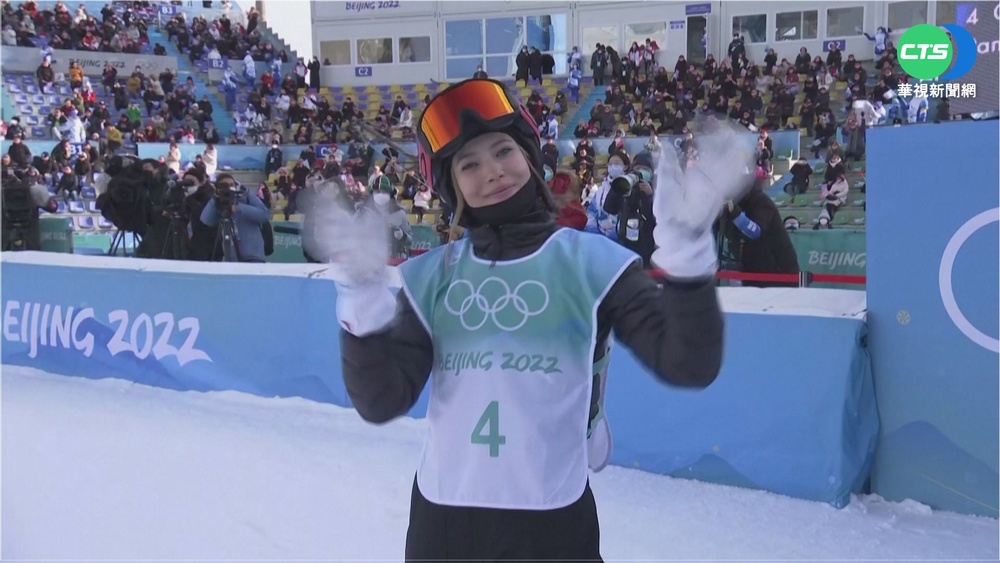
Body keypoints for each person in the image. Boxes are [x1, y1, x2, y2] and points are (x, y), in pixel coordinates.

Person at [306, 78, 748, 561]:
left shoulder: (593, 263)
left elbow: (688, 363)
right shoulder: (432, 276)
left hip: (551, 526)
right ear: (453, 188)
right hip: (443, 526)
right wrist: (361, 303)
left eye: (503, 151)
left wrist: (687, 260)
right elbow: (380, 400)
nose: (492, 171)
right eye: (469, 165)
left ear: (529, 157)